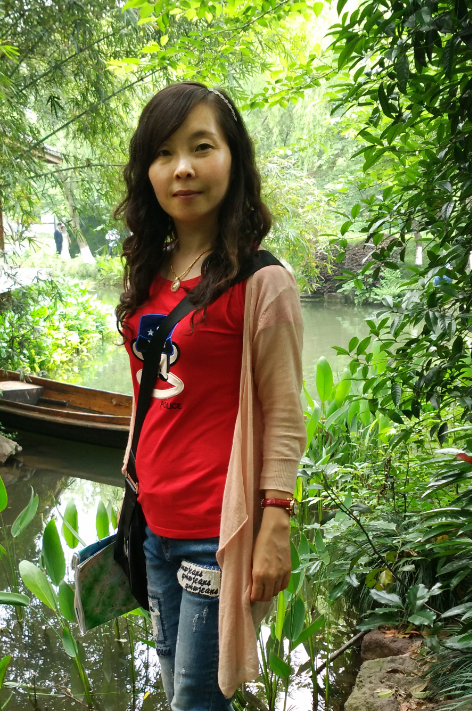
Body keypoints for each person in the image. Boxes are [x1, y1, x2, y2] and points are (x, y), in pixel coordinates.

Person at [114, 82, 305, 711]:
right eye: (164, 153)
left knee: (196, 700)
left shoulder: (262, 282)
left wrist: (276, 519)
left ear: (233, 159)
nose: (183, 168)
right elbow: (151, 399)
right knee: (174, 681)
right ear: (147, 171)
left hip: (215, 533)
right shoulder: (148, 273)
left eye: (201, 147)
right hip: (151, 519)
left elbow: (284, 413)